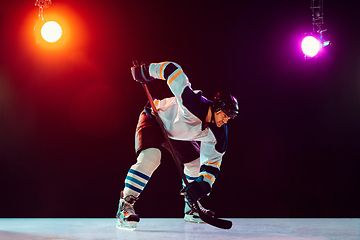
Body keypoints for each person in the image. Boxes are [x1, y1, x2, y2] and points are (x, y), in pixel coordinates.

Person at [116, 61, 239, 230]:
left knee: (195, 164)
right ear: (216, 107)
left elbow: (212, 162)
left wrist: (203, 185)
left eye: (229, 118)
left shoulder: (219, 132)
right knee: (151, 157)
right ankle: (125, 205)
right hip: (155, 118)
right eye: (225, 115)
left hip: (177, 135)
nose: (225, 120)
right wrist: (146, 71)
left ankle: (191, 209)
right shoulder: (192, 102)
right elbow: (172, 70)